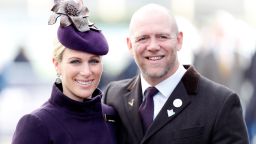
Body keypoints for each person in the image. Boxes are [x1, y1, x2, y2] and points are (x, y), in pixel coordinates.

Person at [103, 3, 249, 144]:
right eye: (143, 38)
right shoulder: (113, 96)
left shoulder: (221, 103)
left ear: (179, 40)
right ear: (130, 45)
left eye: (162, 37)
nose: (153, 46)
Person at [12, 0, 117, 144]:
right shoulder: (36, 124)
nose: (86, 72)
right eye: (75, 61)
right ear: (57, 64)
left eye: (94, 61)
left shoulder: (111, 117)